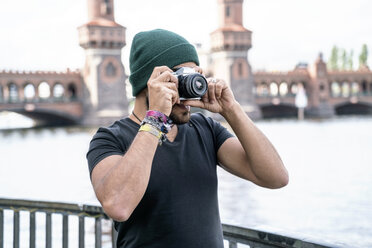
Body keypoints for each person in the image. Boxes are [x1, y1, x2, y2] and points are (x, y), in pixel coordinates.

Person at [86, 29, 288, 248]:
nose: (189, 89)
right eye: (180, 79)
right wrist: (156, 118)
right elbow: (118, 206)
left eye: (194, 76)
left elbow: (276, 178)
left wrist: (232, 110)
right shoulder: (109, 139)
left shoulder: (204, 129)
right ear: (150, 83)